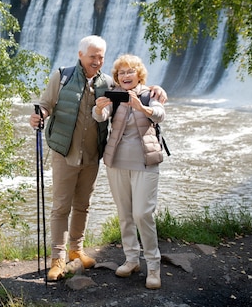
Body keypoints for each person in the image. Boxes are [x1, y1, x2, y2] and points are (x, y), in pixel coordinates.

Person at [29, 36, 167, 282]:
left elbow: (147, 100)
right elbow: (46, 105)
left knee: (84, 205)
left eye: (101, 56)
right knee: (62, 206)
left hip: (94, 155)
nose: (97, 60)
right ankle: (58, 258)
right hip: (66, 151)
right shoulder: (62, 76)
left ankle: (76, 250)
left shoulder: (108, 83)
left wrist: (156, 91)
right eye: (93, 56)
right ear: (80, 54)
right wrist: (39, 116)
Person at [92, 54, 165, 289]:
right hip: (117, 162)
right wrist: (98, 108)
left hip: (145, 162)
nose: (125, 76)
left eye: (130, 71)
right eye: (121, 73)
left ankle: (153, 267)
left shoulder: (150, 93)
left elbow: (160, 114)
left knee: (143, 214)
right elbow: (101, 117)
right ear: (117, 77)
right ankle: (132, 259)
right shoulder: (114, 95)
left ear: (139, 74)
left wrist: (140, 106)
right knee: (124, 214)